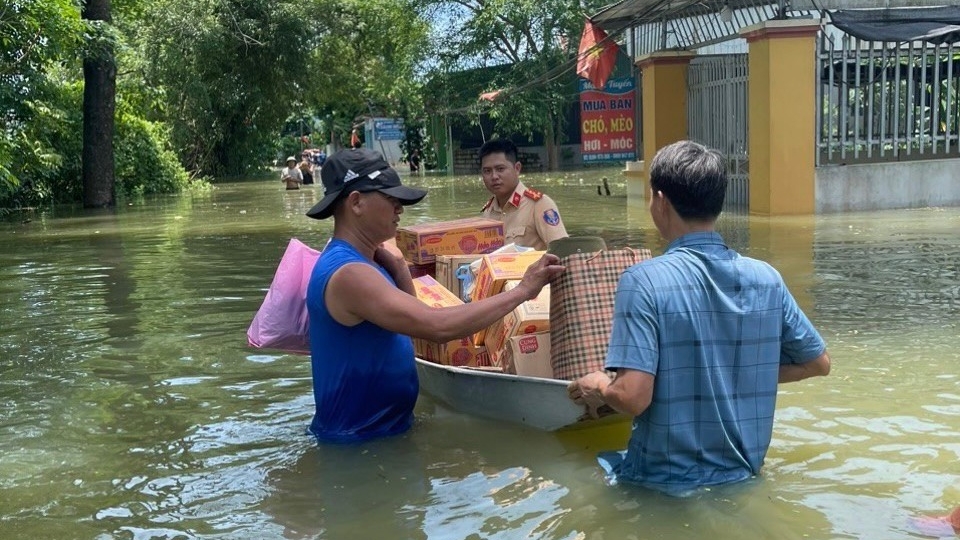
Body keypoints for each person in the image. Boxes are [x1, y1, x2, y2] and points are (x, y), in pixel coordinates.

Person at [566, 140, 831, 496]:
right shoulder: (766, 278)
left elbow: (632, 397)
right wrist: (738, 371)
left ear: (660, 201)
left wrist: (597, 384)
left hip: (660, 485)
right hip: (745, 478)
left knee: (572, 477)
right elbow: (818, 363)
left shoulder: (643, 280)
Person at [304, 148, 564, 444]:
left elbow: (412, 327)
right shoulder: (350, 273)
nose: (400, 209)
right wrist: (523, 290)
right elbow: (436, 327)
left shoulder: (369, 261)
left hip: (387, 432)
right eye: (391, 199)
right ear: (356, 202)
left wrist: (399, 268)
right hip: (356, 444)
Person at [478, 139, 568, 250]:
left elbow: (563, 250)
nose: (494, 176)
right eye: (487, 171)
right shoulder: (488, 212)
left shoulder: (539, 205)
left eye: (500, 169)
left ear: (517, 168)